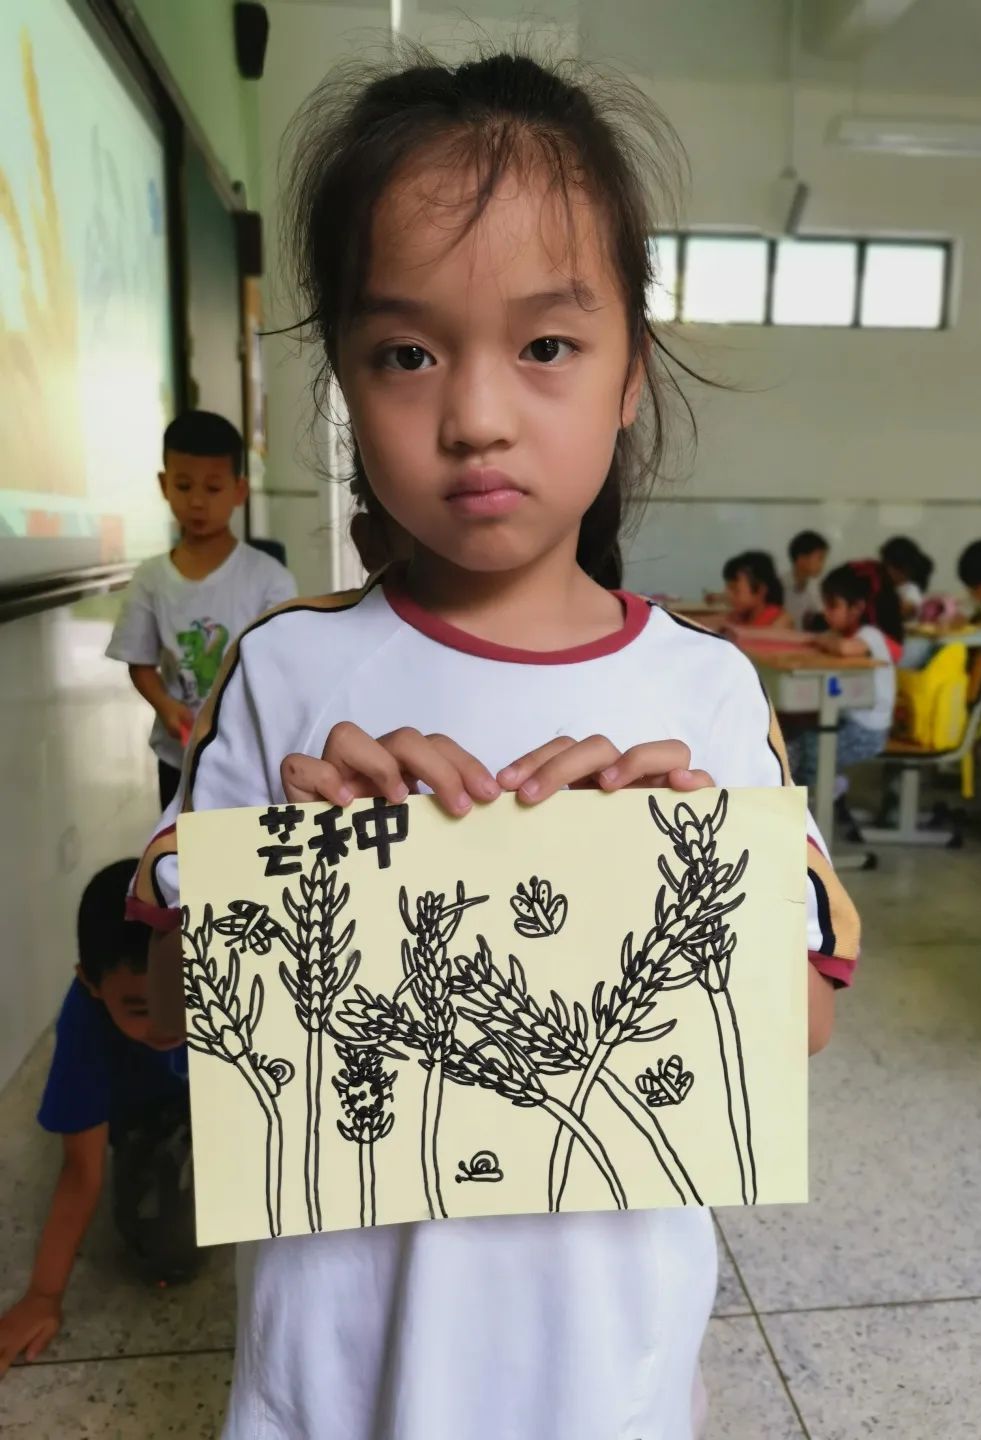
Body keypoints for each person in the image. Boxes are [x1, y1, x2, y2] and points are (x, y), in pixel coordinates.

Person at [128, 49, 860, 1440]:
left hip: (609, 1387)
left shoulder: (703, 690)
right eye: (405, 352)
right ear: (344, 372)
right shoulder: (289, 672)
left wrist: (689, 873)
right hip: (333, 1389)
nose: (472, 415)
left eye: (545, 345)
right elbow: (167, 1021)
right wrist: (286, 878)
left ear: (630, 371)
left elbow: (803, 1022)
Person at [0, 862, 193, 1378]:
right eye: (138, 1007)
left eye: (178, 998)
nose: (165, 1023)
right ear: (89, 983)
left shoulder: (217, 979)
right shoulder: (84, 1026)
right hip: (148, 1117)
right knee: (166, 1249)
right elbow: (81, 1172)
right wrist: (43, 1296)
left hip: (221, 1103)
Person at [106, 411, 298, 809]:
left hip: (247, 756)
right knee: (183, 856)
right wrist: (168, 707)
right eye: (183, 485)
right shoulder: (151, 578)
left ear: (239, 491)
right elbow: (140, 664)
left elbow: (283, 667)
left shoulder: (270, 578)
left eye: (212, 488)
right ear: (164, 485)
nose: (196, 501)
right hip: (178, 756)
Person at [787, 562, 901, 786]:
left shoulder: (870, 634)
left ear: (857, 608)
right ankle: (825, 795)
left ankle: (822, 800)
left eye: (833, 606)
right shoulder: (843, 633)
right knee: (793, 740)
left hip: (868, 732)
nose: (826, 613)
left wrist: (823, 639)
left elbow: (844, 648)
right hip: (848, 721)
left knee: (811, 750)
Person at [722, 550, 792, 628]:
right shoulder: (738, 616)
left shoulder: (779, 622)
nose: (728, 595)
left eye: (735, 590)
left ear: (760, 590)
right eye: (728, 588)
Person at [783, 530, 829, 630]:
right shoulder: (780, 586)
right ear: (802, 559)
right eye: (820, 558)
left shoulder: (817, 588)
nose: (822, 564)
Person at [879, 536, 934, 619]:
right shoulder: (886, 586)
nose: (885, 570)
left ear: (906, 569)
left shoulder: (911, 590)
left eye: (890, 565)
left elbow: (907, 610)